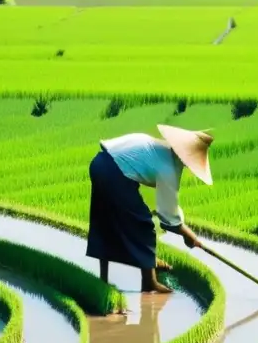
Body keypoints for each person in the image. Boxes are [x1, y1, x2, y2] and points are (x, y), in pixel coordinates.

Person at [87, 124, 214, 294]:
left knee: (105, 223)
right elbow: (169, 219)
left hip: (99, 163)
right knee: (144, 226)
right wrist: (189, 236)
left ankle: (103, 280)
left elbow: (170, 203)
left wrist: (182, 227)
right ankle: (149, 282)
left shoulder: (158, 146)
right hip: (115, 174)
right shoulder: (168, 167)